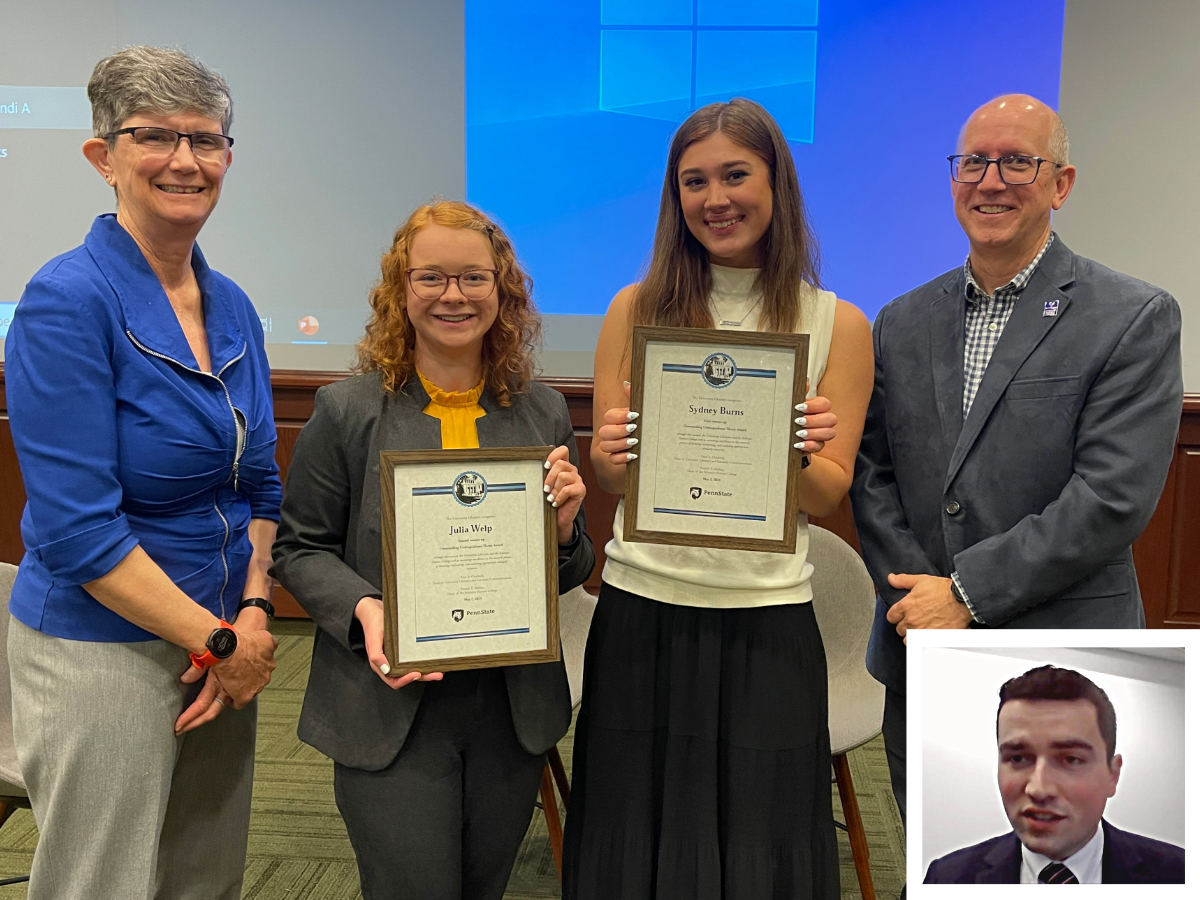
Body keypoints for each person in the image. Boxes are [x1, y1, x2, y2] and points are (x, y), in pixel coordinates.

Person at [850, 95, 1184, 878]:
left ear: (1060, 182)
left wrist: (962, 593)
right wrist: (917, 598)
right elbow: (873, 474)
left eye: (1016, 163)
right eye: (973, 162)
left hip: (1066, 651)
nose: (990, 181)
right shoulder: (900, 320)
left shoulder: (1133, 317)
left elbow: (1111, 497)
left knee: (1078, 871)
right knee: (949, 865)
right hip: (920, 648)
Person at [562, 98, 874, 898]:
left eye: (736, 174)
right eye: (694, 181)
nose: (715, 198)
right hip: (642, 607)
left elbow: (828, 491)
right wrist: (608, 454)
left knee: (758, 841)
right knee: (635, 830)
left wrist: (787, 448)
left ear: (777, 184)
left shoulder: (838, 323)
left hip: (765, 618)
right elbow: (616, 480)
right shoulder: (635, 309)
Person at [4, 47, 280, 899]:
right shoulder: (67, 300)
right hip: (107, 651)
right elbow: (78, 530)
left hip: (226, 639)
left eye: (207, 140)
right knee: (104, 885)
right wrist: (218, 641)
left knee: (202, 878)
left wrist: (255, 612)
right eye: (156, 136)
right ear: (104, 156)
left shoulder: (230, 302)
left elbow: (261, 483)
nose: (186, 161)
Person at [271, 200, 595, 900]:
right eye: (431, 278)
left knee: (482, 887)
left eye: (474, 278)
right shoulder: (347, 411)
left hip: (508, 707)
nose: (454, 296)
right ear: (400, 290)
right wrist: (364, 607)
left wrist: (566, 528)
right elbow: (298, 550)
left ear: (502, 292)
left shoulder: (540, 411)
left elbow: (571, 569)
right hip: (389, 704)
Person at [925, 665, 1184, 883]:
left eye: (1071, 759)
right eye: (1017, 758)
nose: (1038, 789)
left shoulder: (1181, 874)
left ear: (1112, 775)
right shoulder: (945, 879)